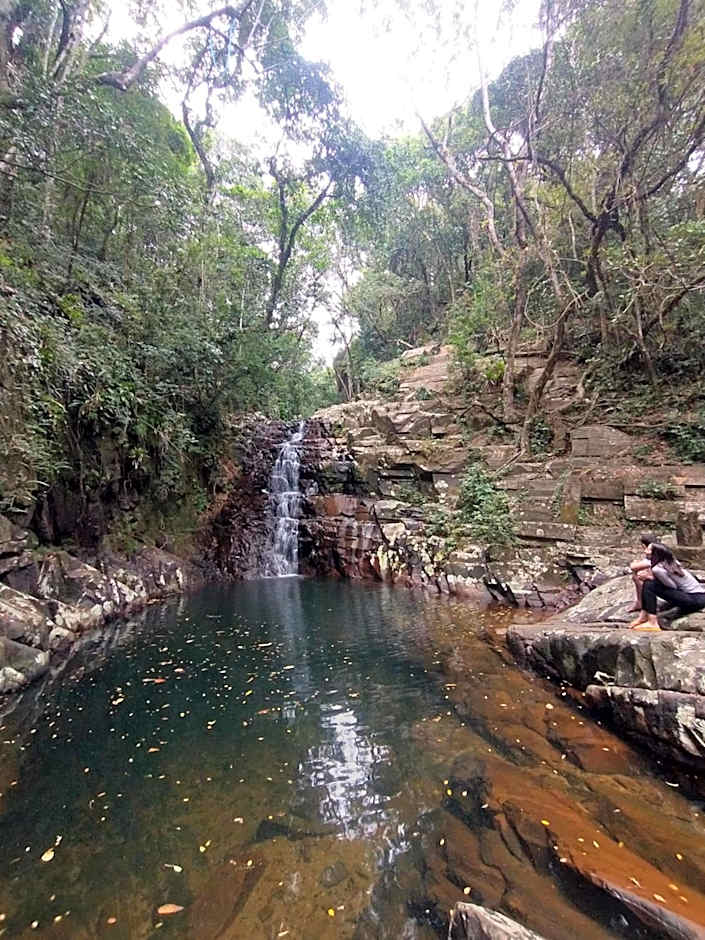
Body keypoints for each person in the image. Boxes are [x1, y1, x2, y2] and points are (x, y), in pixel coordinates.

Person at [629, 543, 705, 630]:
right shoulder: (670, 561)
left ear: (655, 554)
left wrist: (650, 577)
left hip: (694, 600)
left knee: (649, 584)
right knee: (650, 583)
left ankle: (652, 622)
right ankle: (643, 617)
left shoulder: (657, 569)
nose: (645, 551)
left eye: (648, 550)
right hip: (700, 597)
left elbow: (672, 586)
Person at [628, 532, 657, 612]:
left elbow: (633, 567)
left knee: (637, 576)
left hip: (667, 584)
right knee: (638, 574)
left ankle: (640, 602)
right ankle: (640, 602)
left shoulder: (654, 553)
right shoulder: (656, 550)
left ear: (644, 546)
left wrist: (635, 564)